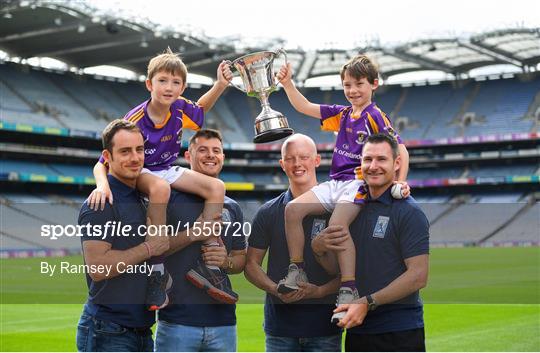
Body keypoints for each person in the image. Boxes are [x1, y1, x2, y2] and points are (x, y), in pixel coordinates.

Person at [87, 48, 234, 310]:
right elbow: (103, 161)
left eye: (176, 82)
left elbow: (200, 109)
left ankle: (209, 258)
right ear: (149, 84)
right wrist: (102, 184)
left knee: (217, 187)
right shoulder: (134, 119)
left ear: (182, 87)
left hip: (167, 166)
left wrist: (221, 84)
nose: (169, 87)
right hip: (144, 172)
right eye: (162, 81)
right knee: (160, 188)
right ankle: (157, 269)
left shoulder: (179, 108)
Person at [275, 54, 410, 322]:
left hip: (357, 182)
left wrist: (399, 180)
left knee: (336, 225)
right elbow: (305, 107)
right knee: (292, 210)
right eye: (347, 85)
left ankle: (348, 286)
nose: (352, 91)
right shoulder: (343, 113)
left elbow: (401, 150)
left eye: (359, 84)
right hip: (335, 181)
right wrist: (288, 84)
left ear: (374, 84)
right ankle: (296, 269)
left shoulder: (375, 116)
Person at [313, 133, 430, 352]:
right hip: (358, 330)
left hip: (399, 332)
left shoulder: (409, 211)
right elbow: (339, 272)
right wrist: (319, 251)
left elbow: (418, 276)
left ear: (397, 163)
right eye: (367, 159)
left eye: (381, 159)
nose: (373, 166)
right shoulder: (350, 211)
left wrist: (368, 302)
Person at [76, 119, 169, 351]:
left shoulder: (140, 195)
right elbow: (97, 268)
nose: (135, 158)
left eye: (139, 150)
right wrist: (149, 249)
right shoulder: (101, 202)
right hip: (108, 330)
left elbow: (160, 245)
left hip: (141, 329)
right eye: (125, 151)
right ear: (107, 156)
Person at [245, 133, 343, 352]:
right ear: (282, 164)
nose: (297, 164)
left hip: (325, 328)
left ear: (317, 160)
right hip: (280, 329)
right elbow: (251, 265)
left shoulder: (339, 210)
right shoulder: (268, 212)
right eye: (290, 158)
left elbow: (351, 273)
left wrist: (319, 291)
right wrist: (274, 289)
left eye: (304, 157)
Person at [155, 129, 247, 352]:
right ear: (188, 156)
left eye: (216, 151)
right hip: (177, 321)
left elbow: (240, 259)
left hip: (223, 321)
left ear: (223, 158)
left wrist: (226, 262)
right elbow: (150, 250)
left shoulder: (232, 206)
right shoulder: (167, 197)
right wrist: (192, 234)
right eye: (203, 150)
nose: (210, 155)